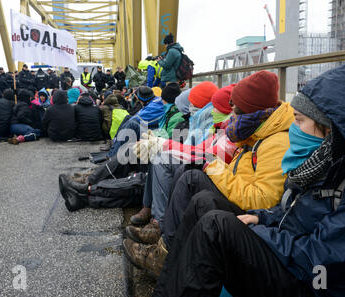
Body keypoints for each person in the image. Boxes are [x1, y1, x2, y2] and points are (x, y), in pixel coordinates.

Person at [153, 62, 345, 297]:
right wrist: (264, 218)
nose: (294, 129)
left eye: (299, 121)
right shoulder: (327, 162)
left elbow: (320, 258)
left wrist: (259, 232)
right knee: (204, 204)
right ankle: (171, 276)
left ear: (330, 128)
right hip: (294, 258)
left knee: (215, 226)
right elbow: (293, 211)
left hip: (317, 286)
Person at [124, 71, 295, 278]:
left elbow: (262, 199)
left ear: (250, 111)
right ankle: (162, 238)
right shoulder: (253, 130)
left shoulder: (271, 141)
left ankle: (163, 248)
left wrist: (213, 167)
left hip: (252, 214)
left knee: (189, 177)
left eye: (236, 109)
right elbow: (208, 154)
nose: (231, 114)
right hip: (240, 198)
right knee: (184, 171)